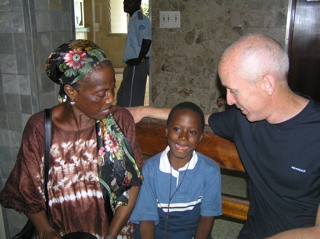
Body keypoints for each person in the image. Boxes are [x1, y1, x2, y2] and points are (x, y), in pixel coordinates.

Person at [127, 34, 320, 238]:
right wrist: (146, 110)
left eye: (233, 90)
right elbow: (201, 118)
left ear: (267, 84)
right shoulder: (243, 119)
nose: (229, 100)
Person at [0, 40, 143, 239]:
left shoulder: (119, 121)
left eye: (113, 88)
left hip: (114, 230)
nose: (111, 99)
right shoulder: (40, 129)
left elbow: (132, 184)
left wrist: (111, 235)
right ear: (71, 92)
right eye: (101, 93)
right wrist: (45, 230)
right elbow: (27, 190)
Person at [130, 102, 222, 239]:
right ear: (167, 131)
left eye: (192, 132)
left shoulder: (210, 170)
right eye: (177, 129)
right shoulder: (150, 169)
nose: (183, 137)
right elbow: (146, 218)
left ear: (200, 137)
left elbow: (206, 218)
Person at [116, 0, 152, 107]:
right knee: (122, 97)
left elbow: (147, 40)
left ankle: (131, 123)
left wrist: (138, 59)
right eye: (125, 1)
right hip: (132, 65)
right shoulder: (133, 19)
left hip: (137, 65)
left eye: (130, 1)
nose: (125, 3)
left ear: (138, 3)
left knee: (132, 101)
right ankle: (122, 121)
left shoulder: (139, 19)